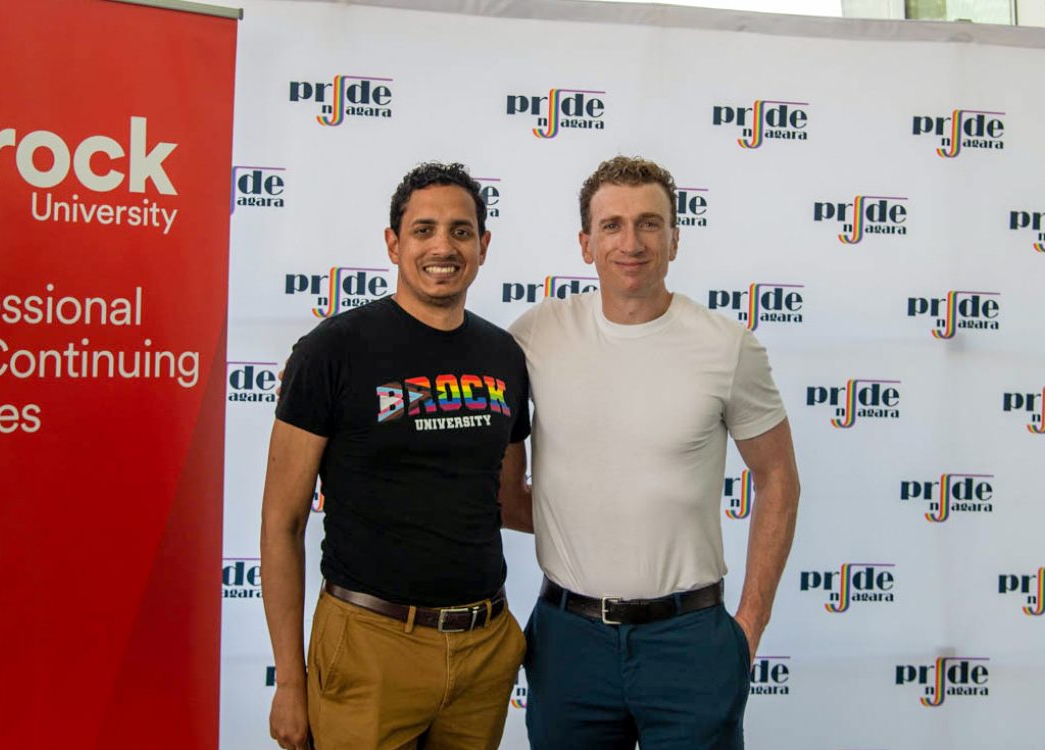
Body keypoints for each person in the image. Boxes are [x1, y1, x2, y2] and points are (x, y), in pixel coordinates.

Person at [501, 156, 801, 749]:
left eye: (649, 223)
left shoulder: (727, 347)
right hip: (568, 640)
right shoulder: (534, 337)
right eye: (611, 225)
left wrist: (749, 626)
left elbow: (778, 480)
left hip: (690, 640)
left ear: (675, 238)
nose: (630, 242)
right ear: (585, 244)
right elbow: (505, 494)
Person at [261, 162, 530, 750]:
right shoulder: (332, 350)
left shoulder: (504, 355)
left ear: (483, 246)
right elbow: (282, 523)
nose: (443, 246)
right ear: (393, 243)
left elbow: (512, 501)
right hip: (369, 642)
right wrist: (288, 679)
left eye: (461, 231)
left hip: (484, 648)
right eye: (423, 229)